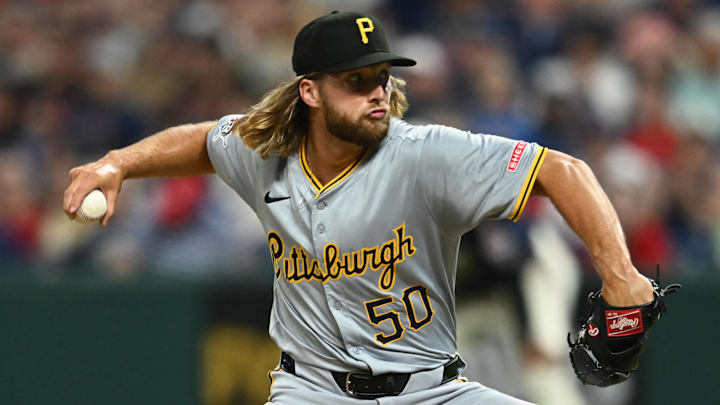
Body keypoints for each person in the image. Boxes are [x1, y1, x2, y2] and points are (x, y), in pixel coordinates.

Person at [63, 11, 654, 405]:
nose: (376, 91)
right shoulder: (266, 150)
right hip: (310, 392)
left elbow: (564, 171)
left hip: (431, 391)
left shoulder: (425, 154)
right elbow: (202, 141)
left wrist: (621, 275)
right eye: (355, 80)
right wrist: (118, 163)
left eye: (381, 76)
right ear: (310, 91)